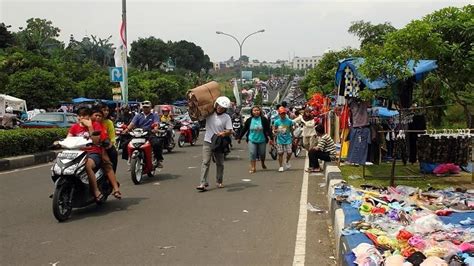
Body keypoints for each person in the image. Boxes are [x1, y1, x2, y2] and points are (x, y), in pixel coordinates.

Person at [68, 107, 121, 201]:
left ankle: (97, 191)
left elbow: (96, 141)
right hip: (78, 153)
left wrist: (90, 127)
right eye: (80, 116)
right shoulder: (74, 127)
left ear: (89, 117)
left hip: (94, 152)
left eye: (85, 116)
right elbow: (68, 139)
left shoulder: (96, 125)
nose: (82, 118)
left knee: (95, 165)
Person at [196, 96, 233, 191]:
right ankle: (202, 183)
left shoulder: (226, 117)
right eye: (219, 106)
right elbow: (198, 115)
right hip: (208, 140)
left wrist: (224, 133)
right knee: (205, 162)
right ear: (216, 104)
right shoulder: (209, 114)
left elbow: (230, 130)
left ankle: (219, 181)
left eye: (222, 107)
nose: (220, 108)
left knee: (220, 163)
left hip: (219, 142)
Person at [122, 100, 164, 168]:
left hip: (149, 133)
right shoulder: (138, 115)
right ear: (142, 108)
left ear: (150, 107)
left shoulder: (154, 115)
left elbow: (156, 123)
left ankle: (158, 160)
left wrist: (156, 128)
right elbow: (132, 124)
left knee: (157, 143)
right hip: (138, 133)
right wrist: (126, 130)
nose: (146, 108)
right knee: (125, 144)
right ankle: (130, 160)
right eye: (144, 107)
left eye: (147, 107)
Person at [237, 106, 273, 173]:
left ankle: (262, 162)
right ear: (252, 112)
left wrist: (271, 138)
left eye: (257, 110)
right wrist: (239, 137)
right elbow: (244, 129)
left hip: (262, 140)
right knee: (252, 153)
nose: (256, 112)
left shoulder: (264, 119)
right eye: (254, 110)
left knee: (262, 153)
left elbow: (268, 129)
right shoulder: (249, 120)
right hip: (252, 140)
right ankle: (253, 167)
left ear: (260, 111)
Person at [96, 104, 118, 172]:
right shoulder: (93, 122)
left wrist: (110, 145)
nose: (106, 112)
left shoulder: (109, 122)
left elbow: (112, 137)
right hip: (95, 146)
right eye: (104, 110)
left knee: (113, 154)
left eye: (107, 110)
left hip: (107, 145)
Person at [273, 106, 294, 172]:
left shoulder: (289, 121)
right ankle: (281, 166)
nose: (283, 115)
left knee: (290, 152)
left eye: (284, 113)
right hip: (279, 139)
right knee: (280, 153)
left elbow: (291, 129)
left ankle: (287, 161)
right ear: (279, 114)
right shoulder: (276, 122)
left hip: (288, 139)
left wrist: (293, 136)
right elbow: (274, 130)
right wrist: (276, 131)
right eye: (281, 113)